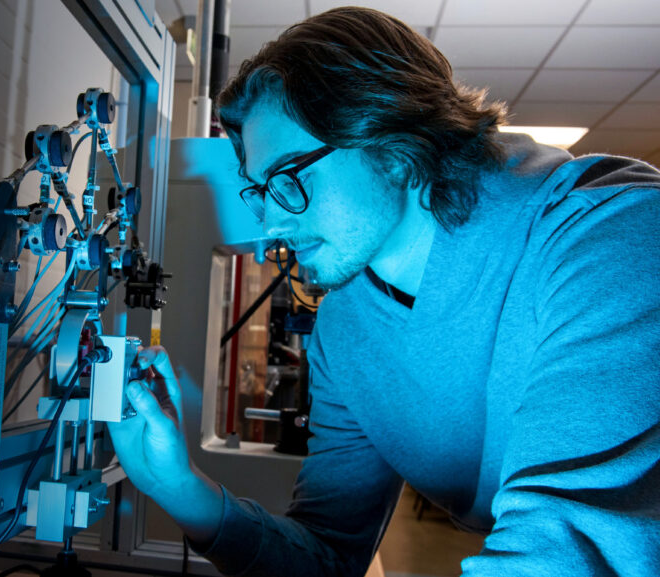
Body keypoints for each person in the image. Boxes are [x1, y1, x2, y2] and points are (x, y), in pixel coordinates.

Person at [108, 7, 660, 576]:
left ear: (394, 144)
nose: (270, 223)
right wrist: (181, 490)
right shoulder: (343, 332)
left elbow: (561, 557)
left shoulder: (613, 235)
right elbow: (330, 554)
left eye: (290, 177)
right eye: (259, 191)